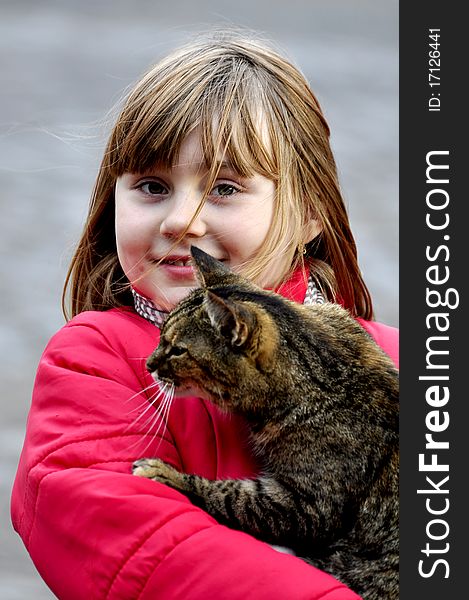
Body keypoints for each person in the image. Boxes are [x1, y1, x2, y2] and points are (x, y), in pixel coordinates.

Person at [11, 31, 398, 599]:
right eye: (151, 185)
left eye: (223, 188)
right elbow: (138, 541)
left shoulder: (402, 359)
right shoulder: (96, 357)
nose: (180, 220)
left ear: (311, 214)